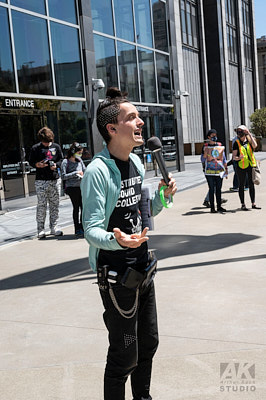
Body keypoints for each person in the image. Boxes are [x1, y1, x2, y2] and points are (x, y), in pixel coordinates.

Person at [81, 87, 177, 400]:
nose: (140, 122)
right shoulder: (97, 171)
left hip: (142, 265)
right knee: (124, 355)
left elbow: (141, 214)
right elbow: (91, 229)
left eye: (139, 116)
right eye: (132, 117)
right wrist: (116, 240)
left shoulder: (135, 163)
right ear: (112, 128)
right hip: (114, 274)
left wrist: (164, 197)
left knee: (148, 343)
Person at [29, 127, 63, 238]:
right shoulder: (35, 148)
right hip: (41, 181)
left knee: (55, 204)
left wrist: (56, 165)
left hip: (54, 179)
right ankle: (40, 229)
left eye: (49, 141)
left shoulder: (56, 147)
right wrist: (37, 165)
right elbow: (31, 162)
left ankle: (54, 227)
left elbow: (61, 160)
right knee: (42, 205)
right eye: (45, 142)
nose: (47, 144)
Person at [232, 125, 261, 211]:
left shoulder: (249, 141)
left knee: (251, 184)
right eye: (238, 132)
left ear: (245, 133)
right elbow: (234, 157)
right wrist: (239, 158)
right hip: (241, 167)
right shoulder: (236, 143)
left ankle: (253, 203)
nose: (239, 133)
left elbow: (255, 146)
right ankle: (243, 204)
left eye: (241, 131)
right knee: (241, 185)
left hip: (251, 165)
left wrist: (250, 135)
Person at [61, 142, 86, 237]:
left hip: (81, 186)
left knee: (83, 207)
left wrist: (84, 174)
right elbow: (63, 176)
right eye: (79, 152)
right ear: (73, 151)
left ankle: (83, 226)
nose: (80, 154)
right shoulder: (65, 162)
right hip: (72, 188)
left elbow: (85, 170)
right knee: (76, 207)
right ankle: (77, 228)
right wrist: (75, 173)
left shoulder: (79, 161)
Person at [201, 129, 228, 213]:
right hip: (209, 171)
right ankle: (212, 207)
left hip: (219, 171)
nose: (214, 137)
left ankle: (219, 206)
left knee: (219, 189)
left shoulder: (220, 146)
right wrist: (205, 153)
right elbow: (202, 159)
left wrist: (226, 169)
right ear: (208, 137)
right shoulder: (205, 147)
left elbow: (224, 159)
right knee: (211, 189)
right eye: (212, 136)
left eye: (215, 135)